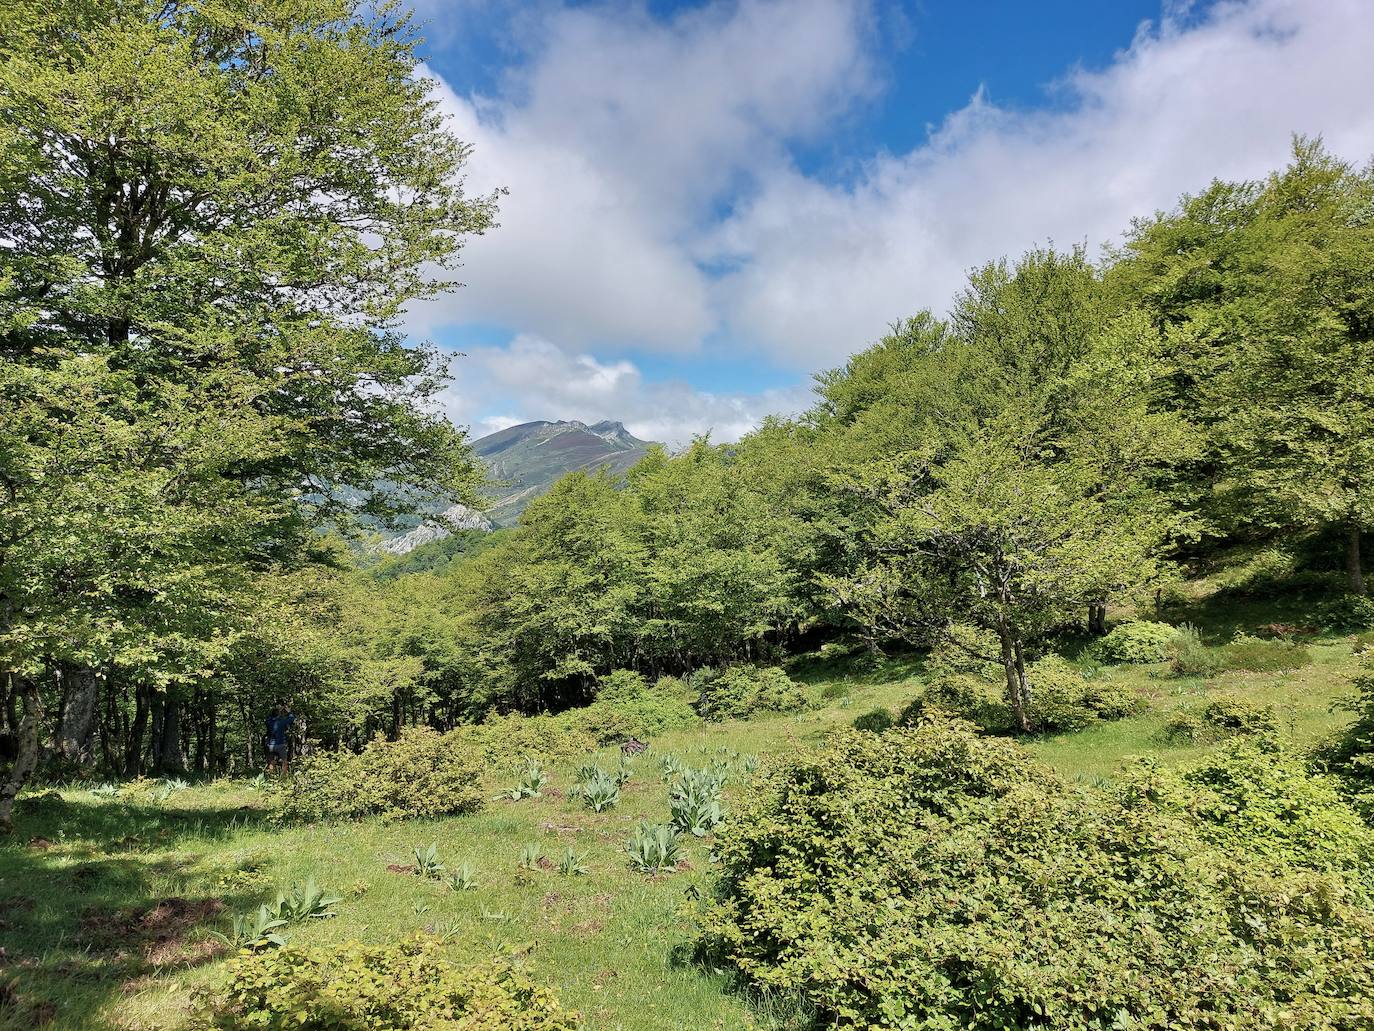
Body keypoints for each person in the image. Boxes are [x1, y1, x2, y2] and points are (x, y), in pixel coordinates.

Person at [265, 702, 296, 775]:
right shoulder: (281, 722)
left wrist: (277, 710)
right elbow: (292, 719)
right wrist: (289, 711)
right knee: (284, 761)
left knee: (271, 762)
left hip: (270, 745)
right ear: (279, 715)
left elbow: (268, 718)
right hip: (280, 745)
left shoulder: (269, 722)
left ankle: (271, 776)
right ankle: (283, 777)